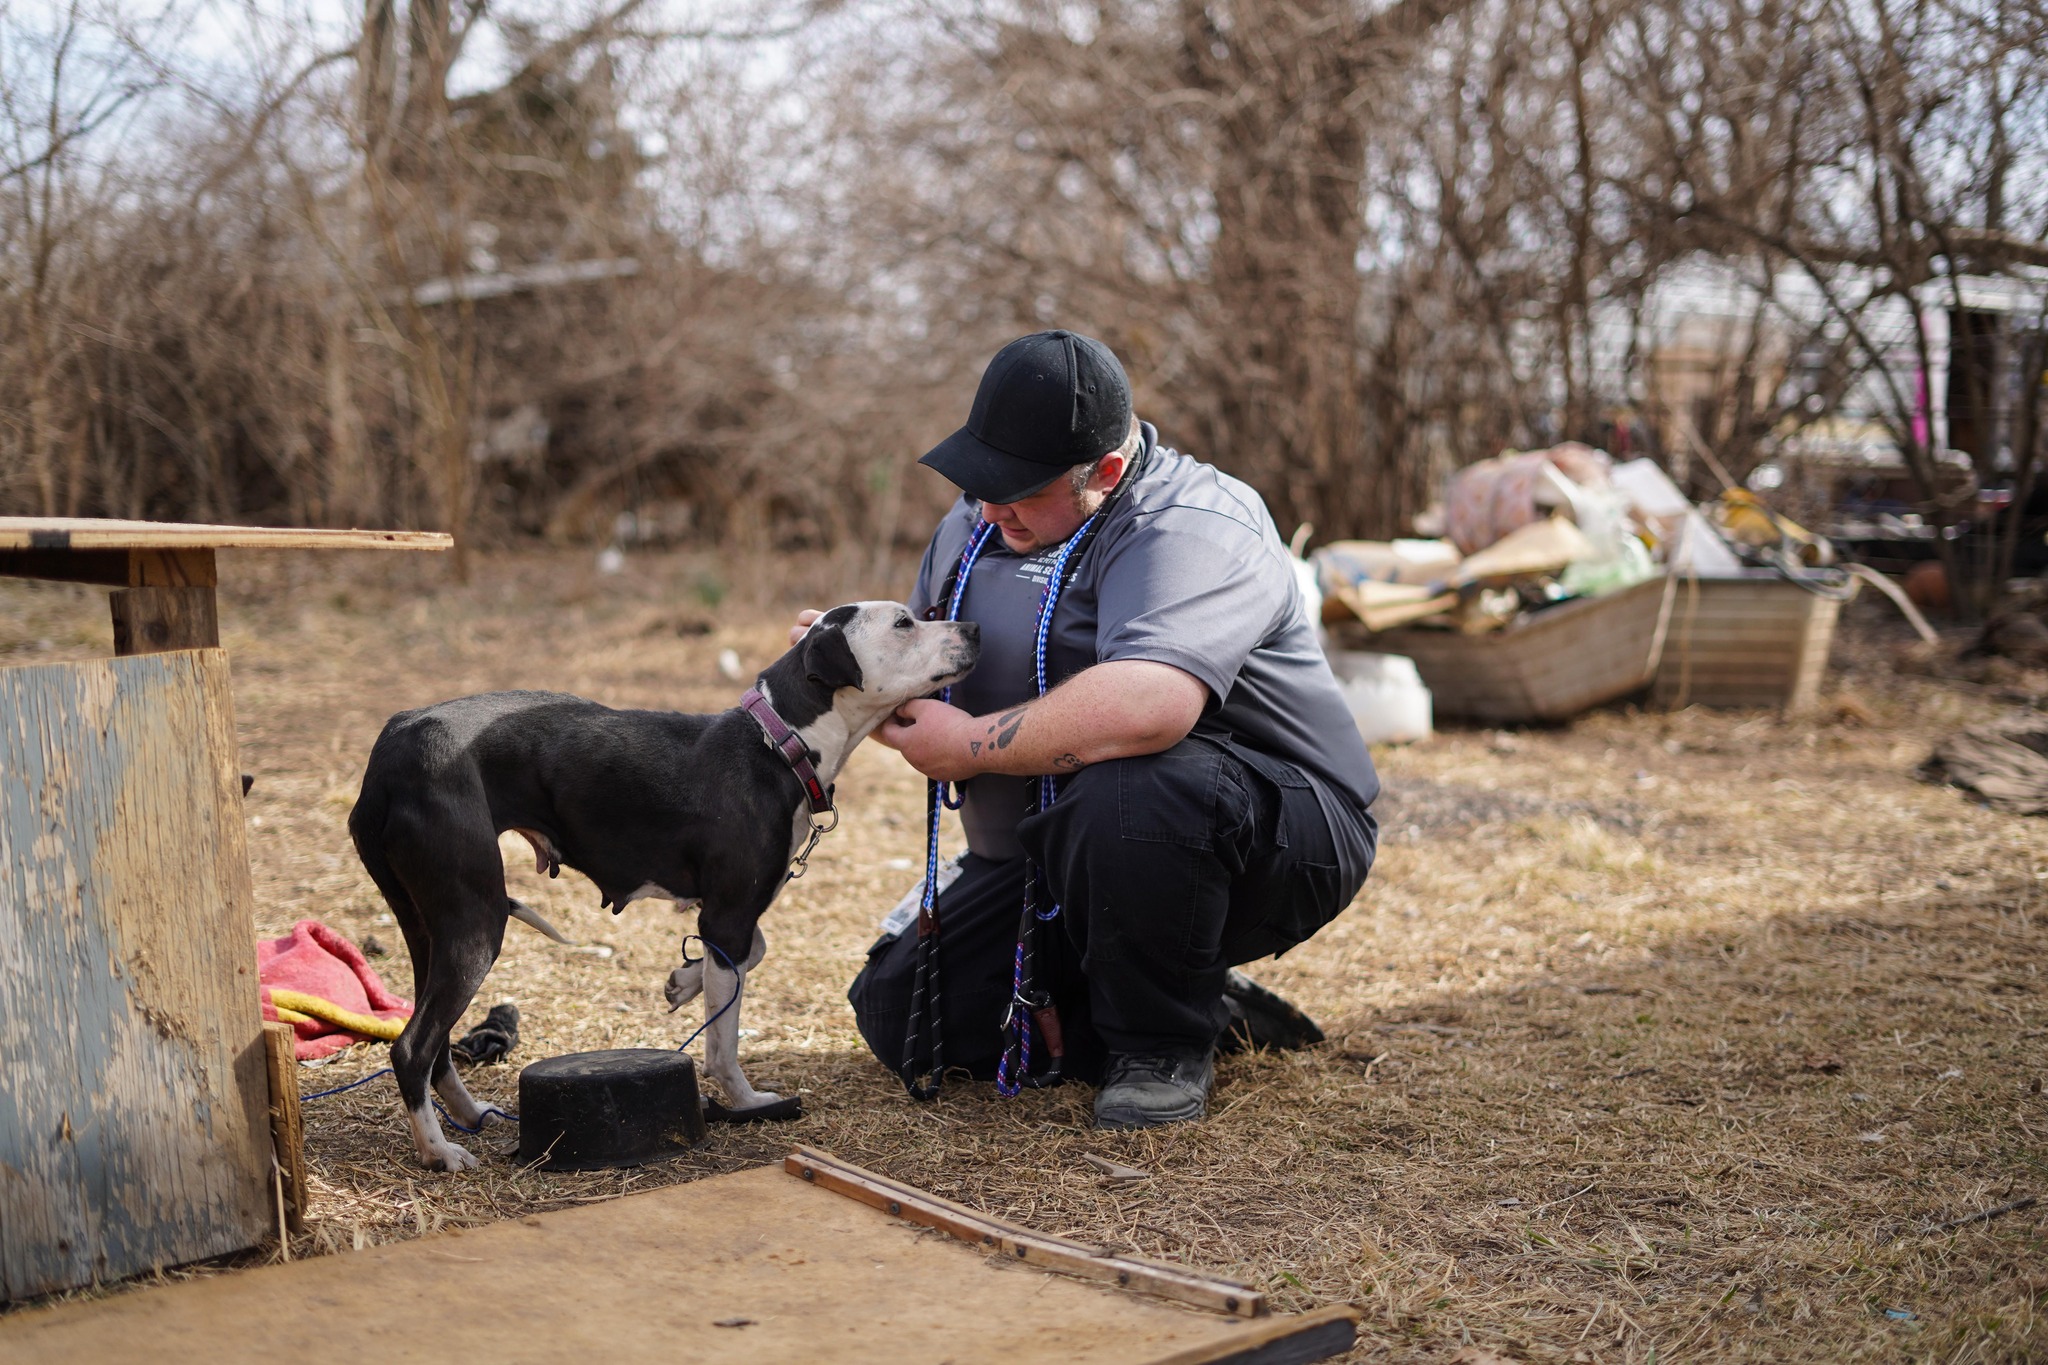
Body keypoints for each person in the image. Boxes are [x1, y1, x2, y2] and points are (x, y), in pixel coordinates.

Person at [804, 329, 1378, 1129]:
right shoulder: (981, 522)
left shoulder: (1196, 525)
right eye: (981, 479)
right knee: (907, 1012)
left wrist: (966, 747)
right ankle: (1172, 981)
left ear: (1104, 472)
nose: (990, 506)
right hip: (1061, 851)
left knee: (1132, 778)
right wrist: (846, 661)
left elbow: (1150, 704)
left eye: (1017, 488)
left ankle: (1161, 1041)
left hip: (1278, 830)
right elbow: (927, 663)